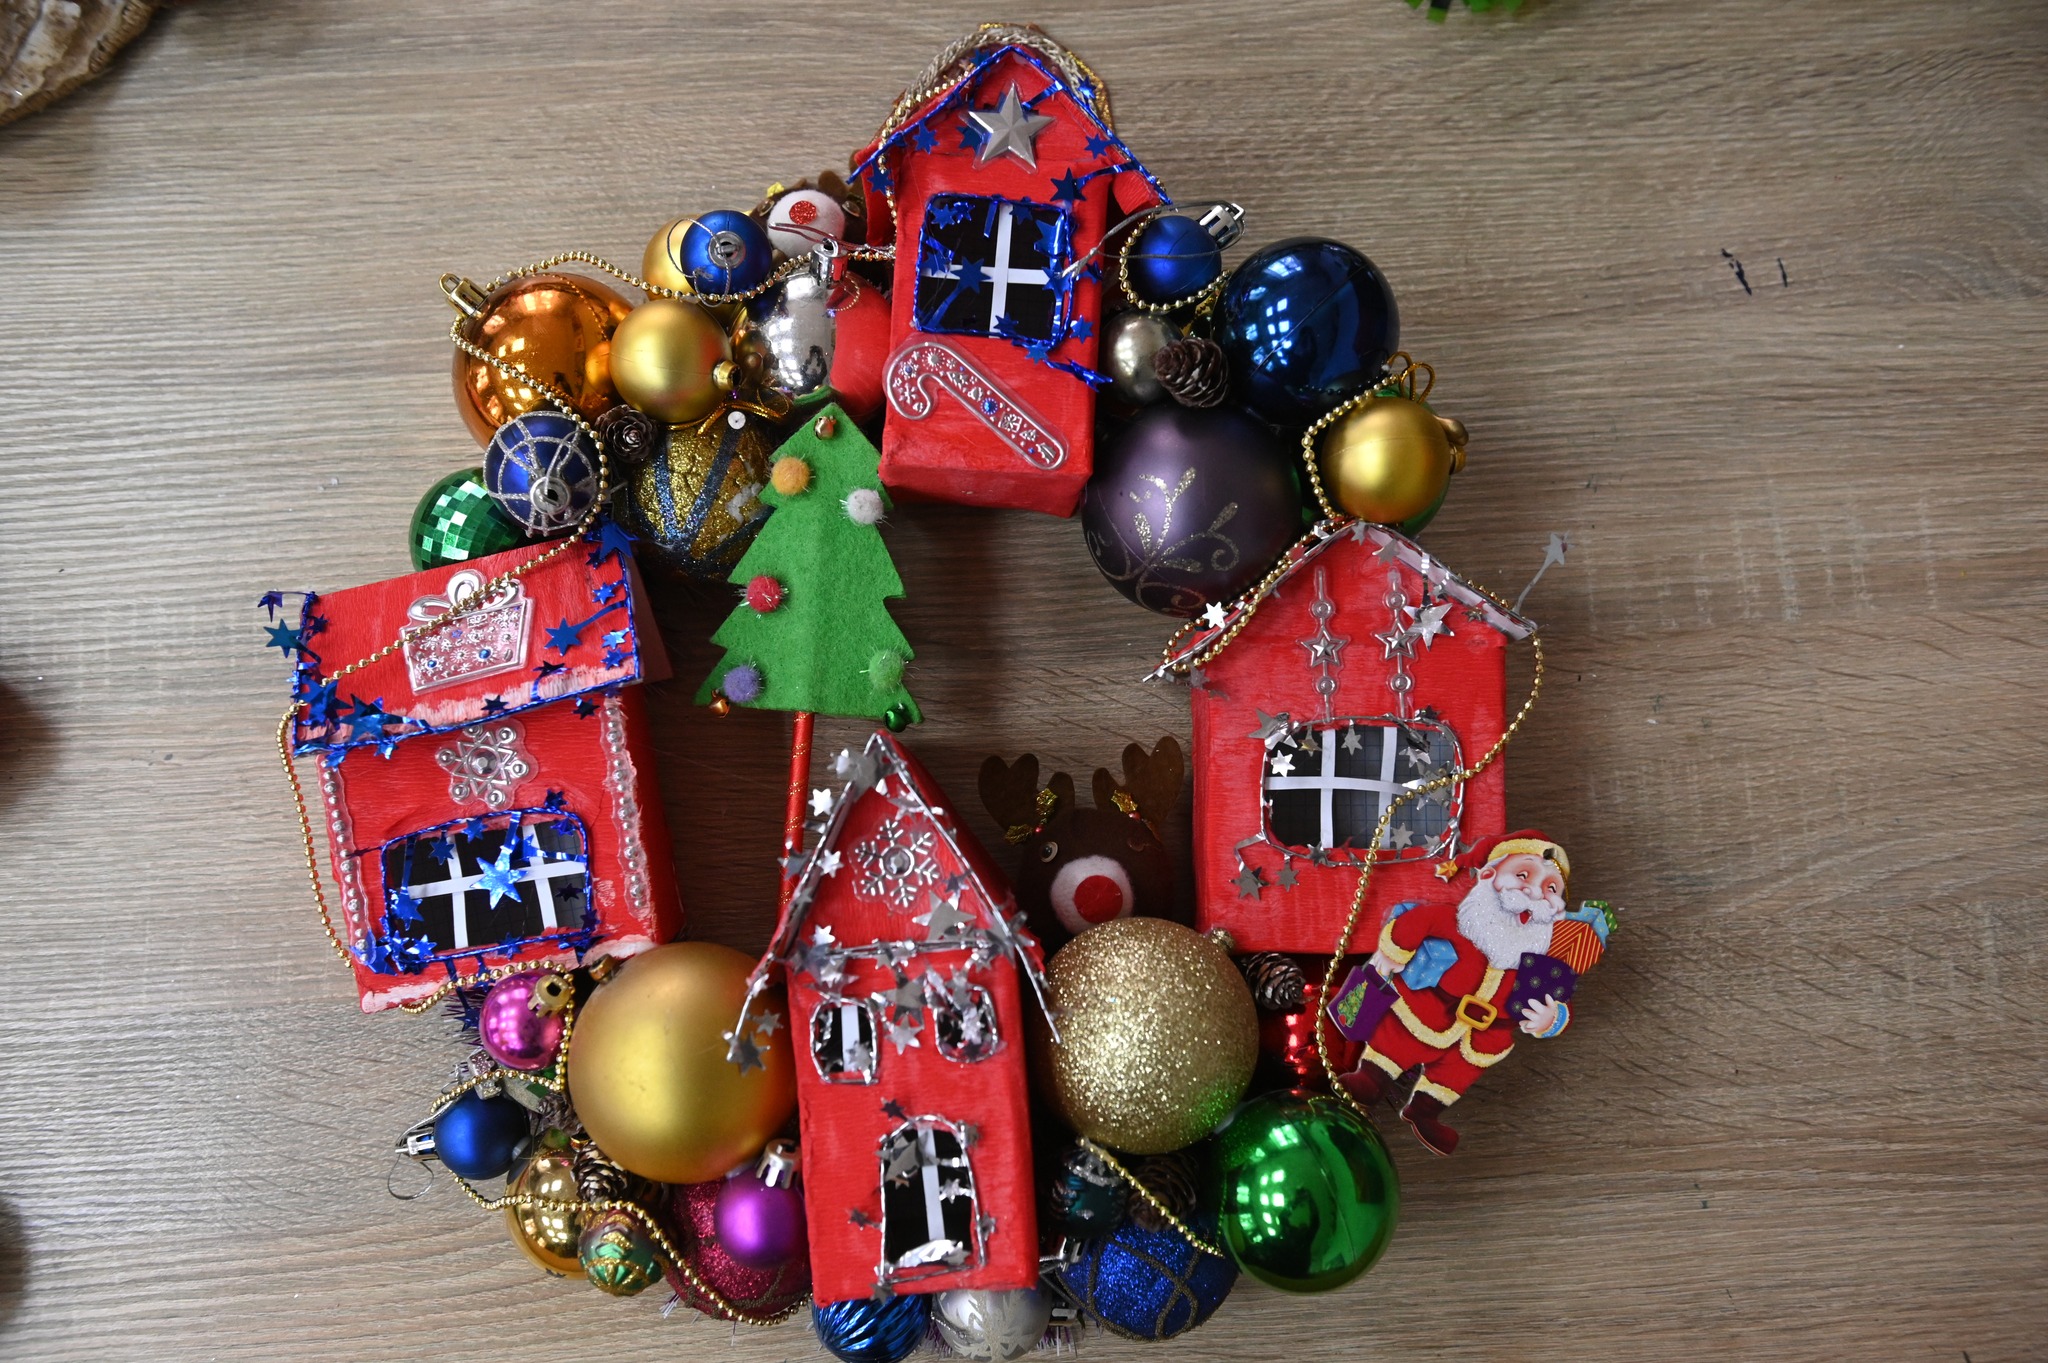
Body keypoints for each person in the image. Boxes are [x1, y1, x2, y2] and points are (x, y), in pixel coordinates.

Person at [1338, 830, 1576, 1156]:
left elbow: (1557, 998)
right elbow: (1418, 921)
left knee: (1456, 1074)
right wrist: (1394, 952)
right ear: (1488, 875)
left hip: (1483, 1038)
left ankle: (1425, 1111)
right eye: (1523, 875)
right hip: (1427, 1012)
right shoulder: (1455, 922)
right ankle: (1371, 1078)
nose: (1534, 891)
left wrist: (1551, 1017)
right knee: (1396, 1042)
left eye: (1550, 888)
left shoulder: (1539, 964)